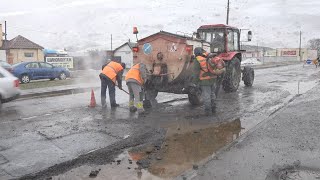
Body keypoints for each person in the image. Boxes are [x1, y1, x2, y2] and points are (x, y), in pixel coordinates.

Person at [192, 47, 223, 116]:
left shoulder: (198, 60)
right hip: (213, 79)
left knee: (207, 96)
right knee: (212, 94)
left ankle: (207, 112)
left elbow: (195, 73)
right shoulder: (209, 58)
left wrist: (195, 82)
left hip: (204, 81)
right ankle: (214, 109)